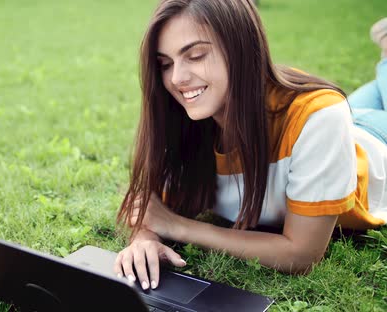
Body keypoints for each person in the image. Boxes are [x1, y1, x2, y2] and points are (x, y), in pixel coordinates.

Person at [113, 0, 387, 292]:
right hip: (346, 124)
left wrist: (179, 227)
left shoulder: (320, 115)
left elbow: (302, 254)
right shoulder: (185, 118)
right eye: (165, 64)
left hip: (374, 139)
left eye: (195, 55)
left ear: (241, 49)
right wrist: (144, 241)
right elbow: (149, 209)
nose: (177, 78)